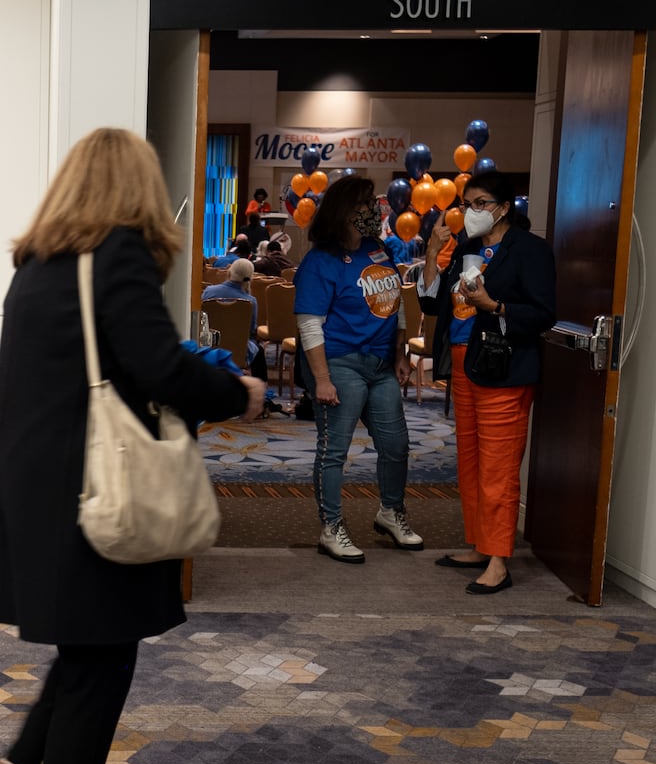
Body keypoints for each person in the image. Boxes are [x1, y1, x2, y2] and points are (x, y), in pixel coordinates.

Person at [0, 128, 265, 764]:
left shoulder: (36, 264)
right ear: (136, 190)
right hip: (89, 490)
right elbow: (160, 365)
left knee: (88, 644)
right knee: (104, 659)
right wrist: (240, 395)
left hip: (31, 485)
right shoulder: (119, 256)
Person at [419, 172, 556, 594]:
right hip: (464, 365)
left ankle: (499, 560)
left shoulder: (529, 250)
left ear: (504, 207)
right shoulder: (467, 247)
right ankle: (479, 544)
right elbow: (431, 300)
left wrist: (494, 306)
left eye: (480, 203)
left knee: (498, 467)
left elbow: (542, 313)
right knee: (470, 462)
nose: (471, 211)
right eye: (467, 203)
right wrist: (431, 250)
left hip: (506, 367)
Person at [293, 175, 424, 563]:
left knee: (396, 445)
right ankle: (331, 527)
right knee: (335, 451)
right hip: (339, 363)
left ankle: (390, 512)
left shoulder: (378, 249)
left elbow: (394, 304)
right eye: (367, 204)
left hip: (381, 363)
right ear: (346, 211)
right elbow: (309, 323)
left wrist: (400, 354)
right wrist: (320, 379)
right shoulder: (321, 261)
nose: (376, 209)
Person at [201, 257, 268, 381]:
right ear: (250, 277)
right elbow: (251, 331)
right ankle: (261, 391)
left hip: (210, 346)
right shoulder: (250, 301)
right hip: (239, 350)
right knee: (259, 350)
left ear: (230, 272)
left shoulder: (208, 293)